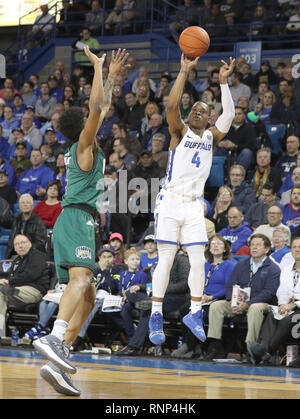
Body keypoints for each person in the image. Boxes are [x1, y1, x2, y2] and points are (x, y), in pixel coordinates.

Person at [32, 48, 129, 397]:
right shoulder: (84, 147)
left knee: (88, 297)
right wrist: (99, 69)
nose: (100, 120)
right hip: (76, 219)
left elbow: (100, 109)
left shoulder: (85, 147)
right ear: (83, 128)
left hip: (77, 221)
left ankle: (57, 364)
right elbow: (95, 109)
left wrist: (110, 75)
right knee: (83, 278)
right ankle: (55, 337)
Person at [148, 54, 235, 346]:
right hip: (171, 201)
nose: (199, 110)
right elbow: (171, 105)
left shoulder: (211, 137)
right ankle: (156, 313)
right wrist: (183, 71)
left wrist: (224, 83)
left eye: (204, 109)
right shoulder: (179, 131)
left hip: (194, 204)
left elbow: (230, 117)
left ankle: (196, 312)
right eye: (195, 108)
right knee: (168, 257)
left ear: (209, 117)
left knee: (199, 259)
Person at [205, 234, 280, 360]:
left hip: (262, 303)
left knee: (255, 308)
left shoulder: (273, 268)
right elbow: (230, 286)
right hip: (239, 302)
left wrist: (248, 303)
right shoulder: (241, 265)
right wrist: (232, 301)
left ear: (266, 249)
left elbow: (269, 292)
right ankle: (215, 345)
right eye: (252, 245)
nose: (254, 248)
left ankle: (250, 348)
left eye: (258, 245)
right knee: (216, 306)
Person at [171, 236, 236, 359]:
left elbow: (229, 287)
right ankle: (193, 347)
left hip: (218, 299)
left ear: (225, 249)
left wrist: (211, 297)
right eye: (213, 243)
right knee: (184, 310)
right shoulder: (205, 265)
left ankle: (189, 346)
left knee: (198, 312)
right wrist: (199, 295)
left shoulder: (229, 265)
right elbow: (198, 282)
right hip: (202, 298)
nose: (215, 245)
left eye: (219, 243)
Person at [248, 236, 300, 366]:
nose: (297, 250)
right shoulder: (287, 269)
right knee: (272, 315)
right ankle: (263, 350)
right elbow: (281, 290)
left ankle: (266, 352)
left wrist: (292, 305)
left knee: (287, 320)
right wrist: (282, 304)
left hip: (297, 308)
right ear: (291, 251)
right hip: (287, 306)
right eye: (294, 247)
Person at [0, 234, 50, 338]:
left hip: (34, 291)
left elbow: (29, 275)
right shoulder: (17, 260)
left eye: (23, 243)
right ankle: (3, 333)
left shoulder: (37, 256)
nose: (20, 246)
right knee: (2, 294)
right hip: (17, 292)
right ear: (14, 248)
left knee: (3, 291)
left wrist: (9, 282)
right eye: (17, 244)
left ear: (30, 244)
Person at [0, 193, 47, 259]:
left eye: (28, 202)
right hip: (14, 254)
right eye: (23, 203)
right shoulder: (16, 218)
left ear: (32, 206)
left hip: (32, 256)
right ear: (19, 206)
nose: (25, 205)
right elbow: (3, 221)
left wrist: (23, 249)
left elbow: (40, 243)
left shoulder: (38, 222)